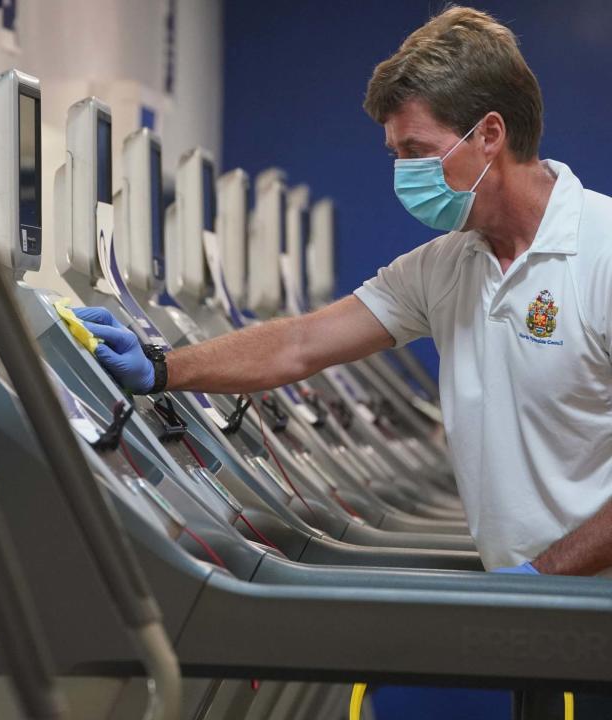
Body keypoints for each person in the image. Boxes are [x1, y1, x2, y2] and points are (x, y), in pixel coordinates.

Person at [75, 8, 612, 716]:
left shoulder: (602, 251)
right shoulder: (445, 268)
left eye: (416, 151)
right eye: (394, 155)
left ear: (489, 134)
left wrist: (542, 578)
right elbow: (298, 344)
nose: (403, 173)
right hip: (542, 622)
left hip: (582, 615)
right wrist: (164, 366)